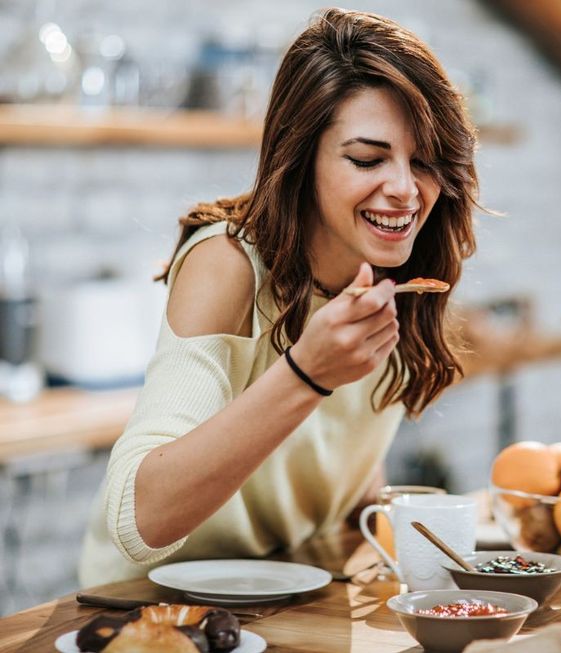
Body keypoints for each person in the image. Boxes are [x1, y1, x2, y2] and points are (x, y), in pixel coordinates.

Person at [79, 8, 479, 585]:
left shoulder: (399, 266)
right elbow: (137, 518)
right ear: (302, 156)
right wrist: (306, 374)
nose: (404, 190)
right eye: (367, 158)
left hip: (289, 587)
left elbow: (336, 447)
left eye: (424, 161)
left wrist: (377, 520)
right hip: (154, 605)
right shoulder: (227, 262)